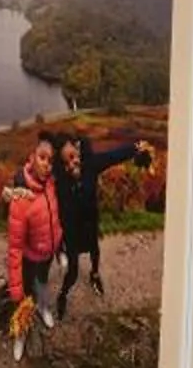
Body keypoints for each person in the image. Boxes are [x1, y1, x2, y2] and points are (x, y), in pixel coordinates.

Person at [51, 130, 157, 318]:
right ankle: (63, 294)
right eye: (65, 162)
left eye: (73, 157)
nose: (72, 163)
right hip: (72, 231)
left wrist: (135, 148)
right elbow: (35, 178)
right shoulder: (59, 180)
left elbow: (113, 156)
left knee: (94, 251)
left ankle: (94, 275)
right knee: (73, 271)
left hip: (90, 223)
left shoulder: (91, 165)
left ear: (79, 152)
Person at [2, 136, 64, 362]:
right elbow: (15, 248)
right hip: (28, 259)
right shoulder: (21, 198)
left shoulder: (51, 185)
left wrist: (60, 248)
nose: (47, 163)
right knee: (24, 298)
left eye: (50, 159)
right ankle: (20, 334)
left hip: (46, 254)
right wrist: (15, 286)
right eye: (42, 157)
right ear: (31, 158)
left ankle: (44, 308)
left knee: (43, 284)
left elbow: (55, 219)